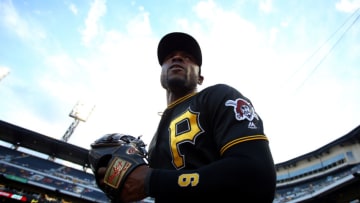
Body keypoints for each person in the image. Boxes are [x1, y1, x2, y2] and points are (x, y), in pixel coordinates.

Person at [97, 32, 276, 202]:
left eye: (188, 57)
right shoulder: (154, 141)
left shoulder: (218, 96)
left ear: (200, 78)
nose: (177, 58)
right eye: (169, 56)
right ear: (161, 74)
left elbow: (257, 175)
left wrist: (152, 180)